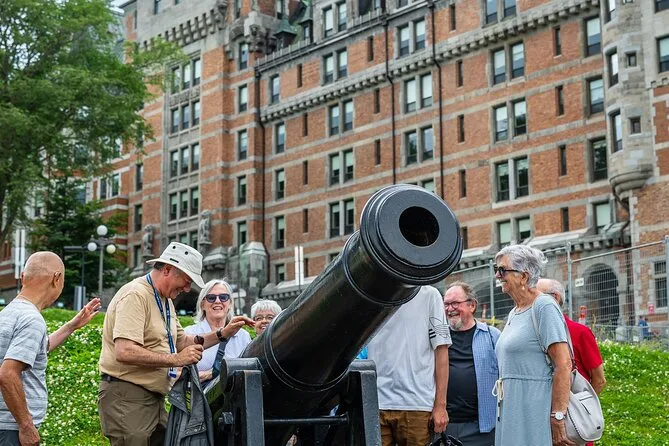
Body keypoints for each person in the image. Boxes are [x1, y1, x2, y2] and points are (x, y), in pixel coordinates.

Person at [98, 242, 254, 445]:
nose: (188, 289)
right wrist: (176, 359)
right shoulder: (136, 295)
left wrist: (223, 333)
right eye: (187, 281)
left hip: (153, 398)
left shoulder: (165, 300)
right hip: (128, 396)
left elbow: (183, 342)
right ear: (167, 270)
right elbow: (125, 351)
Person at [0, 252, 100, 446]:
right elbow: (7, 373)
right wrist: (26, 426)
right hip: (12, 431)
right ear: (57, 278)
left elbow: (36, 351)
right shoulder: (32, 320)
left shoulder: (8, 314)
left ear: (23, 277)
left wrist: (71, 326)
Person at [492, 245, 574, 446]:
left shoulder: (544, 306)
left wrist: (558, 416)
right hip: (512, 407)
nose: (497, 275)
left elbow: (563, 364)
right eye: (496, 269)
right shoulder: (515, 312)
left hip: (534, 408)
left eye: (502, 270)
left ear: (524, 276)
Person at [366, 285, 451, 446]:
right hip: (376, 403)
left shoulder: (430, 295)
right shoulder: (371, 293)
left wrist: (441, 406)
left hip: (417, 404)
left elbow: (441, 349)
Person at [443, 281, 499, 446]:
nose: (450, 309)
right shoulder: (439, 338)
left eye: (455, 303)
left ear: (472, 305)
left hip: (482, 428)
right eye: (446, 304)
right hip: (445, 425)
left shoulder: (492, 336)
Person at [537, 279, 606, 395]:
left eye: (538, 296)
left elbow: (599, 380)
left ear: (555, 297)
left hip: (572, 401)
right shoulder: (531, 334)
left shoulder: (580, 333)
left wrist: (581, 403)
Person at [184, 279, 252, 383]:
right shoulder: (189, 334)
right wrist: (207, 375)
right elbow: (175, 375)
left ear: (230, 304)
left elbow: (250, 371)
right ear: (202, 305)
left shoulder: (243, 336)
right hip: (200, 393)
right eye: (211, 298)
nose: (217, 301)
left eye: (223, 297)